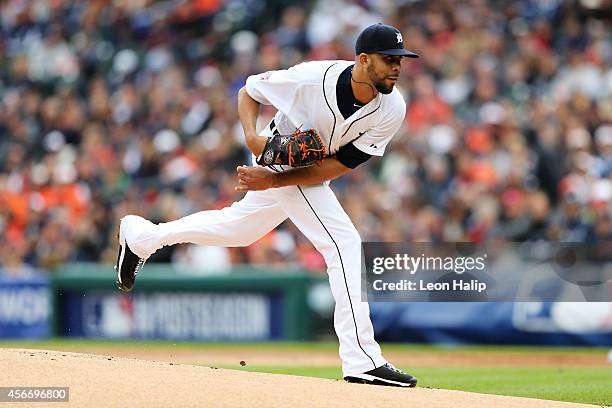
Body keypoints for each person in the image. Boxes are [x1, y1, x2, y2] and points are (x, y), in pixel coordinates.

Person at [115, 23, 419, 387]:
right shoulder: (311, 78)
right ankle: (362, 360)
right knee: (344, 243)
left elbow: (339, 165)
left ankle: (143, 236)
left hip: (296, 171)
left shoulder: (392, 108)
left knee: (238, 229)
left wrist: (272, 182)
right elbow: (249, 90)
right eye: (390, 59)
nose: (397, 67)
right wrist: (252, 139)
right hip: (279, 152)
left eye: (400, 60)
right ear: (364, 60)